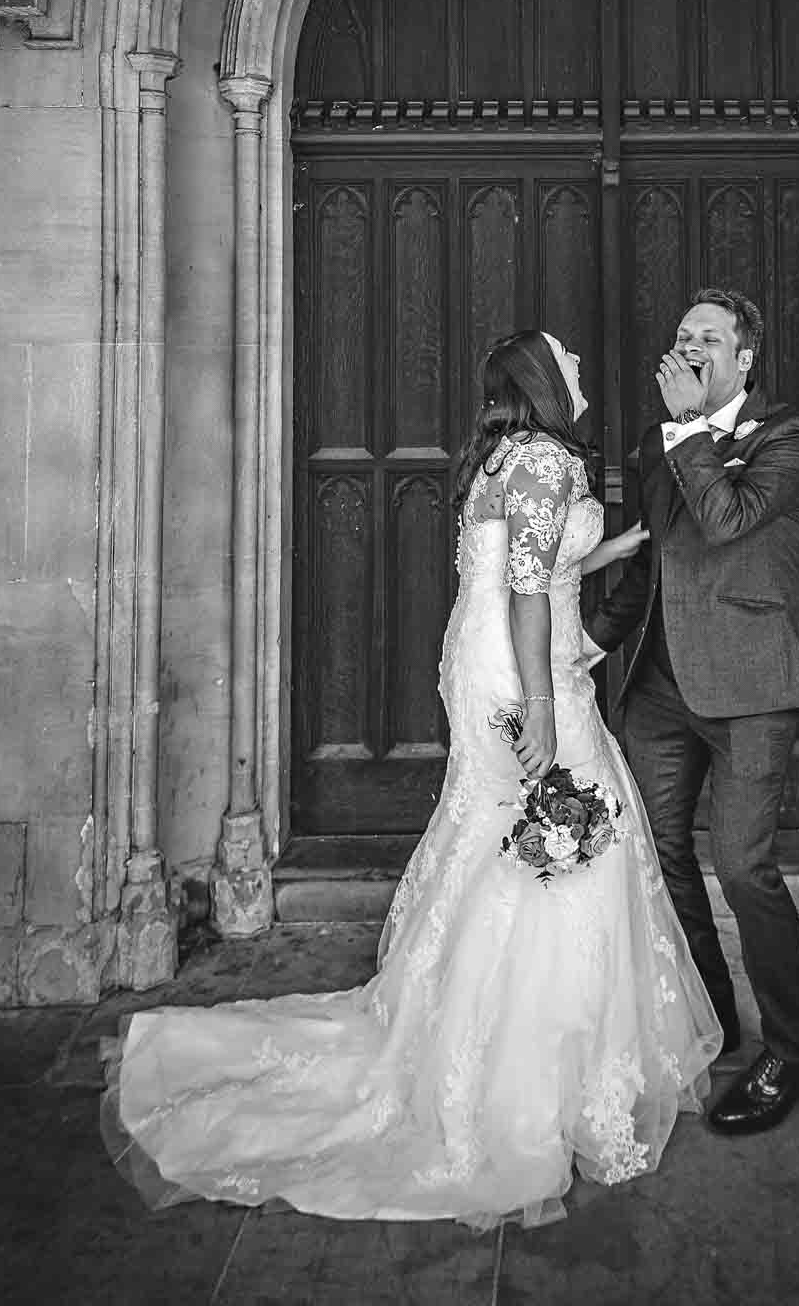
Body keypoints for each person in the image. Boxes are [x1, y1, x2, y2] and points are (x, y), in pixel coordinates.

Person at [103, 332, 721, 1230]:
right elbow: (524, 591)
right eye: (573, 363)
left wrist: (616, 544)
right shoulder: (547, 459)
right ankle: (531, 1074)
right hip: (524, 672)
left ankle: (474, 1035)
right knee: (557, 837)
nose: (586, 370)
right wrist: (543, 707)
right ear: (545, 385)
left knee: (502, 836)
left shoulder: (502, 457)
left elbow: (530, 563)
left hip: (487, 665)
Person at [583, 288, 799, 1135]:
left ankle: (794, 1051)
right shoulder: (659, 441)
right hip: (659, 689)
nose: (690, 348)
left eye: (709, 338)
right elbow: (657, 563)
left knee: (743, 867)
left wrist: (690, 429)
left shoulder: (790, 436)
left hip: (752, 689)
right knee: (658, 852)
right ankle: (711, 1014)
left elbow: (726, 521)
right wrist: (593, 643)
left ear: (744, 358)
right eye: (683, 335)